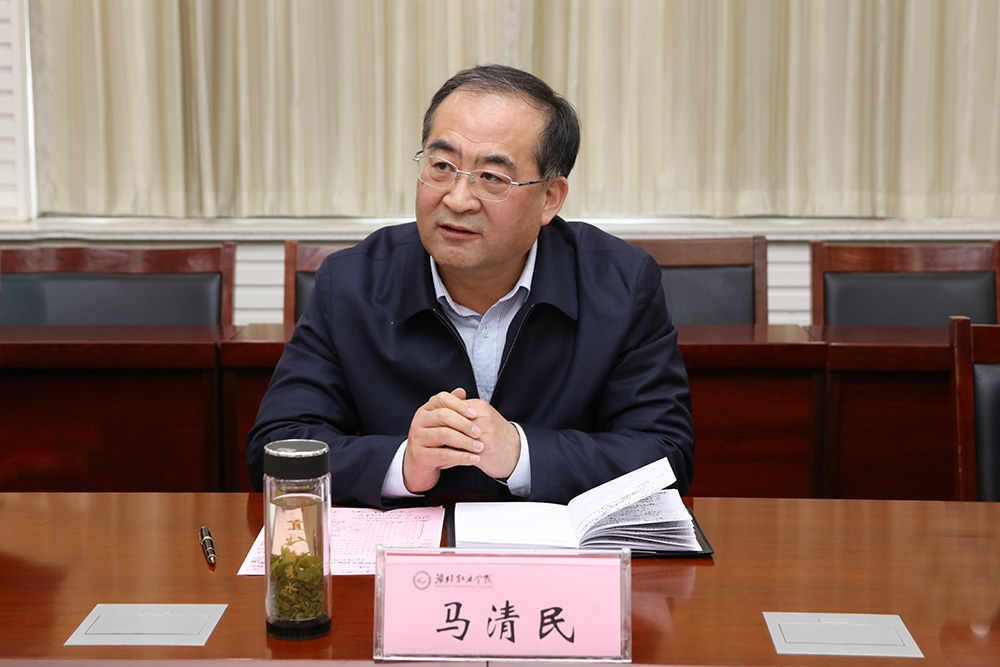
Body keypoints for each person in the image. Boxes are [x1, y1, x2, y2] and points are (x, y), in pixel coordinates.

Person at [247, 64, 694, 508]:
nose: (457, 199)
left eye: (492, 177)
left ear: (550, 198)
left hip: (553, 547)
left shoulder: (621, 283)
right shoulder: (351, 283)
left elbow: (665, 455)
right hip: (409, 547)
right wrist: (402, 464)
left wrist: (521, 454)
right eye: (442, 166)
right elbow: (277, 447)